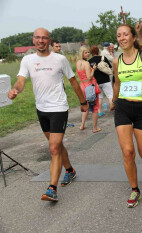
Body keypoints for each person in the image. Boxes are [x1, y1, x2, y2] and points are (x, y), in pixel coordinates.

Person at [8, 28, 89, 202]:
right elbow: (21, 80)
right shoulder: (27, 59)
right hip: (41, 109)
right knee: (57, 146)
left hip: (59, 108)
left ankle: (52, 188)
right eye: (37, 37)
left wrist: (83, 102)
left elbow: (73, 81)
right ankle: (70, 170)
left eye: (44, 38)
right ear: (33, 39)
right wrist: (15, 89)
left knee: (53, 148)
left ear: (49, 40)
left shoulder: (59, 59)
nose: (41, 40)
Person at [110, 24, 142, 208]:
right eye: (119, 35)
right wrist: (113, 100)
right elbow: (117, 83)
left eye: (125, 34)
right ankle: (135, 190)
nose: (122, 38)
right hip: (123, 107)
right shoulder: (116, 61)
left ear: (133, 37)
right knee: (127, 152)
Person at [76, 46, 101, 133]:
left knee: (85, 105)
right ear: (82, 53)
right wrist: (93, 69)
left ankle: (82, 125)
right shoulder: (86, 64)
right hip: (90, 86)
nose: (88, 54)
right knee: (95, 107)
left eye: (88, 52)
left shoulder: (78, 63)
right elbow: (89, 77)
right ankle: (94, 128)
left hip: (82, 85)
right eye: (85, 52)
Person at [88, 45, 113, 116]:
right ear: (98, 51)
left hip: (96, 81)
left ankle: (99, 111)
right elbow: (110, 68)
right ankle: (112, 108)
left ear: (91, 52)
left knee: (100, 97)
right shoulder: (103, 58)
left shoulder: (89, 61)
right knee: (110, 95)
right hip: (106, 80)